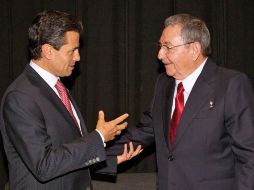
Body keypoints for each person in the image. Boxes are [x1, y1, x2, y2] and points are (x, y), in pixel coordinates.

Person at [106, 13, 254, 189]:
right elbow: (143, 133)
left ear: (194, 50)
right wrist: (88, 155)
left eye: (168, 47)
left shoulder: (230, 84)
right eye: (160, 46)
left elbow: (249, 155)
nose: (160, 54)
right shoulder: (164, 84)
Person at [0, 10, 141, 190]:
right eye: (72, 50)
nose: (78, 57)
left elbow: (65, 151)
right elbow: (44, 165)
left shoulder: (57, 87)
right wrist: (98, 138)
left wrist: (108, 159)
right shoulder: (21, 97)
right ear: (48, 51)